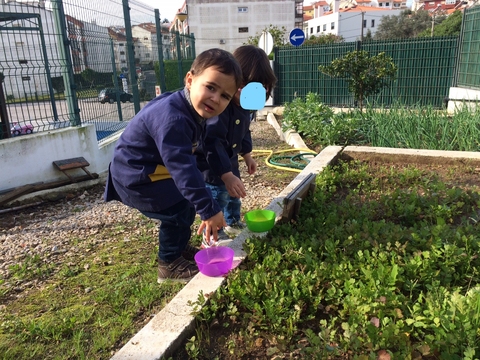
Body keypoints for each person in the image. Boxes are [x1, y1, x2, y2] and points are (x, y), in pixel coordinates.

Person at [104, 48, 242, 283]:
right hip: (137, 177)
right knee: (177, 207)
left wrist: (226, 175)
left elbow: (201, 153)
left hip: (151, 170)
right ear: (190, 80)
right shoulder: (173, 119)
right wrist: (209, 209)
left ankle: (177, 248)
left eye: (225, 96)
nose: (216, 99)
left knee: (185, 201)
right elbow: (183, 169)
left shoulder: (190, 109)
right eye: (210, 87)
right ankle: (168, 264)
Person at [195, 45, 277, 243]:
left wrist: (247, 156)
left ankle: (232, 221)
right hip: (212, 168)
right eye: (246, 86)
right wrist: (226, 175)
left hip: (230, 163)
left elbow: (244, 133)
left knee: (234, 196)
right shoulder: (220, 108)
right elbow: (212, 143)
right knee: (218, 197)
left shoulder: (244, 108)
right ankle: (213, 235)